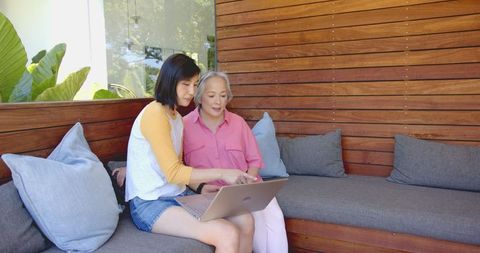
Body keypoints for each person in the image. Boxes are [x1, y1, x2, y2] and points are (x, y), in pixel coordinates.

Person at [124, 54, 257, 253]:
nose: (191, 92)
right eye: (186, 84)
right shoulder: (155, 113)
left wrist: (201, 187)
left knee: (245, 219)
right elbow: (174, 172)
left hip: (178, 194)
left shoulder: (176, 117)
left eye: (195, 84)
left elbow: (178, 168)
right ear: (170, 81)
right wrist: (222, 173)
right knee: (226, 233)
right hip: (150, 203)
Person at [183, 71, 289, 253]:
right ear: (200, 97)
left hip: (246, 188)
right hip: (211, 194)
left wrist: (248, 181)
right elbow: (174, 166)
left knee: (276, 216)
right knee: (256, 220)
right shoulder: (184, 125)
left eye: (223, 96)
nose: (218, 102)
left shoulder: (238, 123)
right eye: (212, 95)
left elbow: (254, 160)